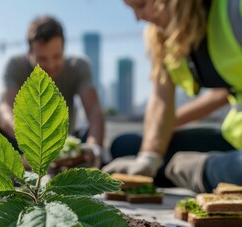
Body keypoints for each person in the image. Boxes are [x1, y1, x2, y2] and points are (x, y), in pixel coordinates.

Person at [103, 0, 242, 193]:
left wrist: (202, 168)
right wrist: (149, 158)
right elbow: (161, 98)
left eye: (141, 5)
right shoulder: (163, 38)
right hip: (236, 136)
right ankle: (207, 172)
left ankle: (204, 172)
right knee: (126, 146)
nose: (137, 18)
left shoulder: (234, 10)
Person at [0, 16, 105, 167]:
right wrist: (31, 140)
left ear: (64, 50)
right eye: (42, 59)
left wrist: (93, 147)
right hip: (22, 143)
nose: (50, 65)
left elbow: (94, 110)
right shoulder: (15, 65)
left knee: (91, 135)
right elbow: (5, 109)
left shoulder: (79, 66)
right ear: (29, 52)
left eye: (57, 56)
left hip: (64, 146)